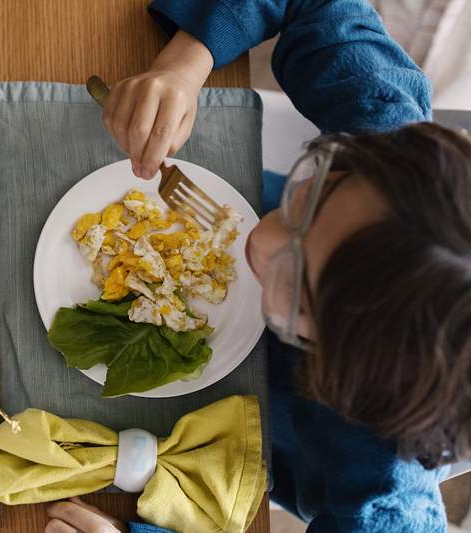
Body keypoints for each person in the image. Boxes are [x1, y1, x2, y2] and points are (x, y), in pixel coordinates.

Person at [45, 1, 471, 532]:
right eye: (313, 194)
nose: (261, 234)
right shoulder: (386, 151)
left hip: (236, 457)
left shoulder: (384, 490)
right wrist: (187, 62)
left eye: (296, 289)